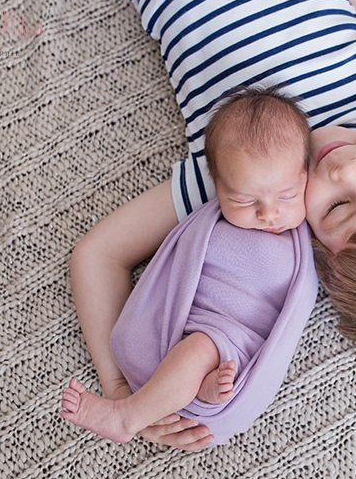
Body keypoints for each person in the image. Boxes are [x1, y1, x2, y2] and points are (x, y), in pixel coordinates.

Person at [68, 0, 356, 450]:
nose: (346, 167)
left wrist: (123, 393)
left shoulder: (237, 185)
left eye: (337, 206)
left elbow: (99, 254)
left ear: (315, 250)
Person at [61, 88, 318, 445]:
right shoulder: (208, 213)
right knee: (196, 349)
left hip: (236, 342)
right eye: (242, 199)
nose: (268, 213)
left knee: (202, 351)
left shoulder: (311, 230)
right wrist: (117, 386)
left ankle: (147, 410)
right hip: (190, 324)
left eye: (287, 195)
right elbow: (169, 269)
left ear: (306, 173)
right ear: (217, 184)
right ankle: (141, 406)